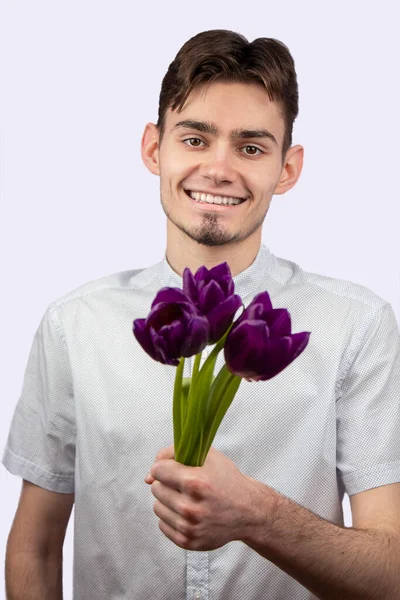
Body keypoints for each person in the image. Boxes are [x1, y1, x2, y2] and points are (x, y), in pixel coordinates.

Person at [3, 29, 400, 600]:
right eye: (195, 139)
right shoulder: (76, 325)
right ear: (152, 149)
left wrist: (257, 515)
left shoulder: (355, 327)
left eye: (251, 147)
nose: (219, 169)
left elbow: (390, 573)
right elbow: (35, 547)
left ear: (287, 169)